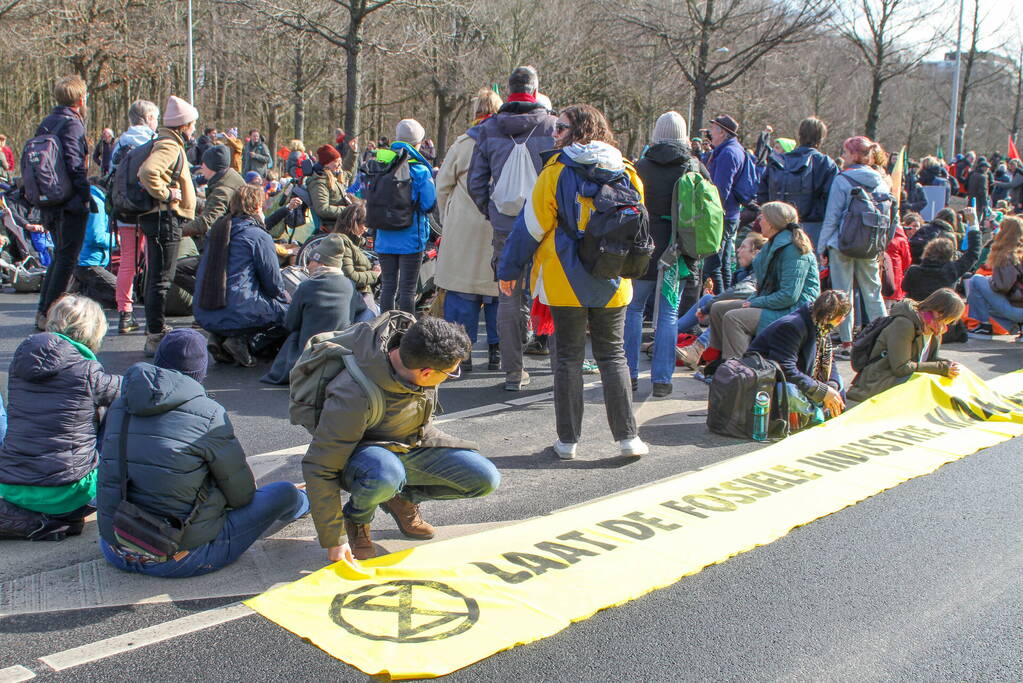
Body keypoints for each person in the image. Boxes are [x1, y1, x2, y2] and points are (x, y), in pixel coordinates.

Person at [97, 329, 317, 576]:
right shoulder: (208, 414)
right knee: (283, 492)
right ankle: (306, 502)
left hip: (116, 544)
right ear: (199, 371)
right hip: (180, 556)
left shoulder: (120, 404)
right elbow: (242, 496)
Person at [497, 103, 649, 460]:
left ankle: (567, 443)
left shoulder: (556, 171)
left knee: (567, 359)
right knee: (614, 357)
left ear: (580, 131)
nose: (554, 133)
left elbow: (530, 227)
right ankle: (628, 439)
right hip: (613, 279)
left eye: (561, 128)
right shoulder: (628, 172)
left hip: (564, 278)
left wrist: (508, 271)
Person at [304, 314, 500, 561]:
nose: (451, 375)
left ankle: (400, 498)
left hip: (407, 443)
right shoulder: (352, 393)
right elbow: (319, 466)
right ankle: (356, 518)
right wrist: (334, 538)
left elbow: (422, 422)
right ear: (427, 373)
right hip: (361, 457)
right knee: (386, 474)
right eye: (451, 373)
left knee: (484, 478)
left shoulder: (419, 355)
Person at [0, 295, 121, 540]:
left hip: (13, 487)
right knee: (117, 409)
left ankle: (34, 519)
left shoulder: (20, 364)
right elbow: (131, 389)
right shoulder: (88, 372)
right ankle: (64, 515)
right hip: (69, 496)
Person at [468, 66, 558, 391]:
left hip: (506, 225)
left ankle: (513, 372)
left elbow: (475, 181)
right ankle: (559, 369)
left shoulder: (490, 127)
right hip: (546, 225)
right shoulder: (552, 126)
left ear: (509, 91)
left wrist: (492, 213)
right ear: (535, 91)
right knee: (555, 291)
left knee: (508, 294)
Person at [626, 111, 707, 397]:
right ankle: (662, 380)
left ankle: (629, 375)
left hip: (643, 248)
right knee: (668, 314)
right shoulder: (693, 166)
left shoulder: (641, 167)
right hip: (678, 251)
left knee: (634, 310)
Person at [436, 89, 505, 374]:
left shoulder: (462, 144)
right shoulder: (508, 144)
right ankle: (496, 352)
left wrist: (447, 219)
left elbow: (442, 186)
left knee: (462, 294)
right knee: (498, 293)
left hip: (464, 227)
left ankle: (461, 357)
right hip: (498, 224)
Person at [706, 201, 820, 361]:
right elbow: (764, 287)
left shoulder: (793, 250)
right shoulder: (773, 244)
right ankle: (720, 362)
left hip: (794, 311)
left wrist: (755, 303)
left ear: (773, 223)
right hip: (777, 304)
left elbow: (789, 296)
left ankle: (741, 373)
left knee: (734, 318)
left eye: (763, 217)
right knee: (718, 308)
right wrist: (754, 300)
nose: (759, 221)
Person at [194, 185, 288, 367]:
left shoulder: (218, 229)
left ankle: (219, 337)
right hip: (237, 310)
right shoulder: (258, 235)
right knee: (289, 313)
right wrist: (286, 297)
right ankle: (244, 342)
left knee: (239, 297)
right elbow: (273, 283)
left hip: (204, 309)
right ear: (256, 206)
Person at [817, 135, 890, 359]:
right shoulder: (881, 180)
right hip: (870, 244)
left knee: (843, 293)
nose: (843, 156)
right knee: (873, 291)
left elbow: (832, 217)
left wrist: (823, 247)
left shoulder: (843, 180)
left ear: (855, 155)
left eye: (846, 152)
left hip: (843, 244)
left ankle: (847, 342)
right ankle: (884, 339)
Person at [137, 95, 199, 355]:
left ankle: (155, 329)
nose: (194, 129)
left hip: (159, 218)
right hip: (164, 218)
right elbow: (148, 172)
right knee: (162, 279)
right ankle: (155, 332)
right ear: (183, 125)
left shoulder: (165, 141)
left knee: (159, 277)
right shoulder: (170, 146)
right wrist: (168, 194)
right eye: (192, 124)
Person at [262, 235, 368, 384]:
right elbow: (361, 310)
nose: (308, 265)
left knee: (293, 334)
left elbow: (290, 324)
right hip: (340, 352)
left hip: (309, 354)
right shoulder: (349, 285)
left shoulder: (306, 287)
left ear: (320, 263)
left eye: (311, 260)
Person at [32, 75, 93, 332]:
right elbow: (74, 164)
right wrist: (85, 195)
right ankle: (50, 313)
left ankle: (42, 310)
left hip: (49, 199)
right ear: (80, 99)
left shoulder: (47, 122)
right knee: (67, 257)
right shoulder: (72, 124)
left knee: (59, 256)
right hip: (69, 201)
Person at [747, 290, 850, 424]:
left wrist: (832, 387)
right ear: (839, 318)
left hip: (800, 375)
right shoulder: (792, 326)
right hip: (768, 380)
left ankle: (819, 409)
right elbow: (785, 370)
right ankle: (815, 413)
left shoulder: (820, 323)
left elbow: (830, 362)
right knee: (789, 391)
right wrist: (822, 391)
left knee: (838, 381)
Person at [847, 289, 964, 402]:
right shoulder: (904, 324)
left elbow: (928, 359)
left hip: (899, 379)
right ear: (939, 310)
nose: (946, 324)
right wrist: (941, 367)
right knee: (925, 381)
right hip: (878, 382)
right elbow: (901, 368)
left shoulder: (936, 328)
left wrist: (948, 365)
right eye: (947, 318)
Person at [676, 232, 768, 368]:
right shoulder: (744, 271)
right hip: (747, 309)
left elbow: (742, 291)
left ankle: (697, 349)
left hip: (756, 312)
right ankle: (666, 338)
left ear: (756, 253)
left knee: (721, 307)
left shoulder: (759, 270)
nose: (738, 250)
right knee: (708, 298)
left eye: (743, 247)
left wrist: (709, 306)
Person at [373, 119, 436, 314]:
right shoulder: (420, 170)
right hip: (411, 239)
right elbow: (428, 204)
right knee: (408, 291)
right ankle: (405, 334)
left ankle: (384, 331)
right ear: (418, 142)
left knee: (388, 288)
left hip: (383, 236)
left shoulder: (380, 163)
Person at [109, 99, 160, 334]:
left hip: (123, 209)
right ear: (148, 118)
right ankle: (152, 313)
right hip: (147, 207)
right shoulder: (152, 142)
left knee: (127, 260)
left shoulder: (119, 144)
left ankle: (124, 313)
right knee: (151, 259)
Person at [755, 117, 838, 249]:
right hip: (811, 226)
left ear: (800, 134)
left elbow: (762, 192)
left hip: (776, 224)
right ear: (821, 138)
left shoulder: (779, 160)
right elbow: (832, 200)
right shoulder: (825, 164)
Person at [703, 114, 747, 293]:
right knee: (723, 264)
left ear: (722, 132)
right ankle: (724, 303)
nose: (710, 133)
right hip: (730, 214)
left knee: (713, 265)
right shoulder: (733, 150)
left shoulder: (728, 153)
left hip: (721, 216)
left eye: (713, 129)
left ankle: (715, 308)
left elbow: (720, 189)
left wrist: (710, 214)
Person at [902, 211, 980, 303]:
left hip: (916, 311)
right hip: (942, 313)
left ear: (927, 250)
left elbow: (905, 287)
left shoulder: (914, 271)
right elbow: (973, 253)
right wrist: (973, 224)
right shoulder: (952, 271)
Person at [968, 215, 1023, 337]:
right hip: (1019, 306)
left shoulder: (1007, 254)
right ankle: (1018, 328)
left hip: (1018, 309)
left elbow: (1002, 286)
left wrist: (990, 281)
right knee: (982, 294)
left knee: (975, 281)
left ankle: (983, 326)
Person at [183, 145, 245, 239]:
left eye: (205, 163)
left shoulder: (222, 190)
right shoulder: (229, 177)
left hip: (232, 239)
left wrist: (178, 231)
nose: (202, 166)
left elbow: (206, 223)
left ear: (212, 166)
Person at [72, 182, 116, 308]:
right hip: (90, 263)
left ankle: (87, 295)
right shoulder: (97, 203)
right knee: (125, 296)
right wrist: (117, 239)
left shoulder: (88, 198)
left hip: (83, 261)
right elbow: (97, 237)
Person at [307, 144, 350, 232]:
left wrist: (353, 152)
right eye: (337, 161)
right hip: (333, 225)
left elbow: (348, 171)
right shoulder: (319, 182)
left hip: (341, 221)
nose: (340, 164)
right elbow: (322, 209)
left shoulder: (333, 176)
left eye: (340, 161)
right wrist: (347, 210)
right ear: (326, 163)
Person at [885, 217, 912, 302]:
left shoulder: (881, 236)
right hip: (895, 279)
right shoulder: (901, 240)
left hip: (882, 274)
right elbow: (907, 262)